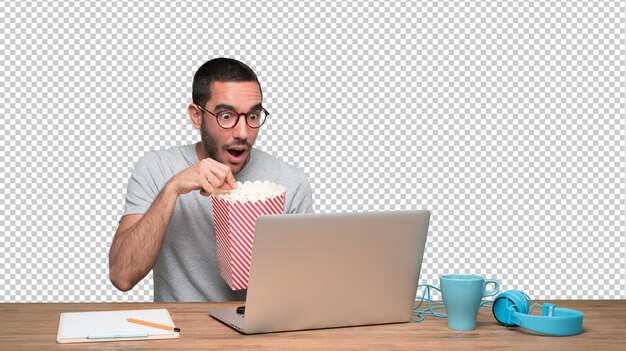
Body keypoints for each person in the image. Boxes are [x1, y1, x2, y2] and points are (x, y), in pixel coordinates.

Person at [108, 58, 314, 302]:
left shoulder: (290, 182)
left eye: (253, 116)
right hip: (179, 331)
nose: (242, 132)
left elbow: (304, 290)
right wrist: (172, 190)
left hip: (257, 329)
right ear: (197, 116)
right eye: (226, 116)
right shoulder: (157, 169)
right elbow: (122, 276)